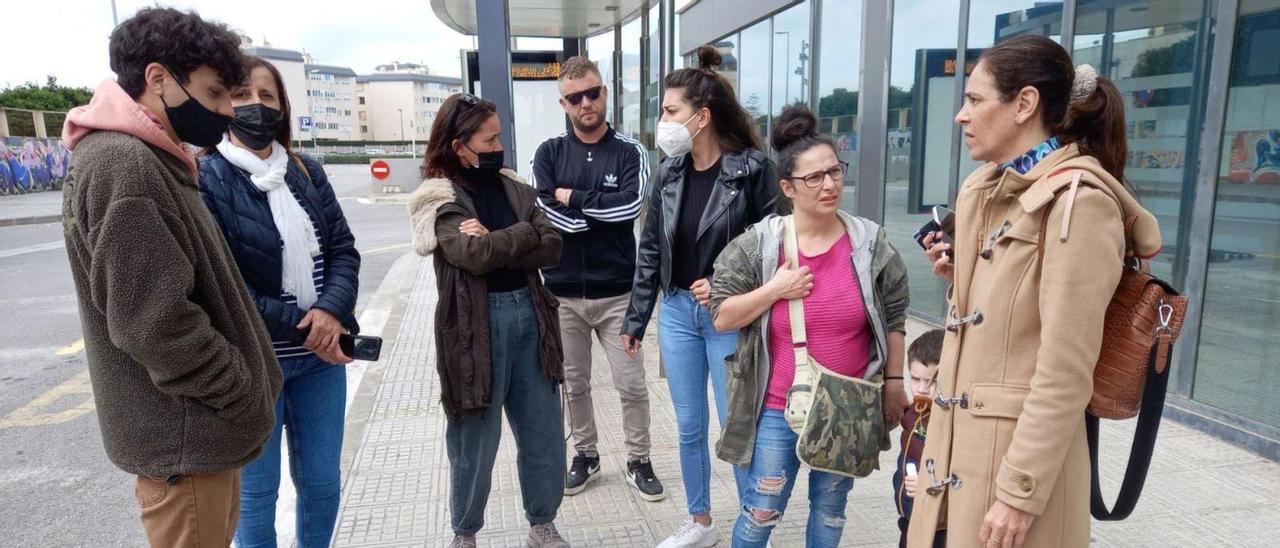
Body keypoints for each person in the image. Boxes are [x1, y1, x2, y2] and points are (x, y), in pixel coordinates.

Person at [909, 35, 1163, 548]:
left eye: (975, 100)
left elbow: (1066, 369)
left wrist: (1019, 493)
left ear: (1024, 104)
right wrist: (964, 280)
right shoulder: (986, 187)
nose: (961, 115)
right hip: (957, 457)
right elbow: (1003, 324)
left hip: (1011, 469)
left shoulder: (1079, 204)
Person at [59, 8, 281, 547]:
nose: (228, 111)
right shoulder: (126, 165)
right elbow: (153, 325)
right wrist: (241, 392)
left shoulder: (150, 157)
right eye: (213, 94)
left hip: (194, 436)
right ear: (158, 79)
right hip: (187, 439)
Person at [708, 104, 910, 548]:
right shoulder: (760, 246)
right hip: (781, 407)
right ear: (788, 188)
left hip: (848, 406)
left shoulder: (869, 242)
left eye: (835, 172)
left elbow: (895, 314)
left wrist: (894, 382)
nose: (829, 185)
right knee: (761, 513)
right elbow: (721, 314)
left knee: (831, 512)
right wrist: (775, 289)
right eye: (813, 178)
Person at [197, 55, 361, 548]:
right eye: (243, 95)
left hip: (320, 363)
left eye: (267, 96)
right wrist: (308, 327)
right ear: (223, 103)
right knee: (255, 495)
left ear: (283, 107)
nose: (255, 106)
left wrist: (330, 311)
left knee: (322, 485)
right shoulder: (207, 177)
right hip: (252, 364)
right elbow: (222, 284)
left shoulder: (306, 171)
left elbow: (343, 250)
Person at [622, 44, 780, 548]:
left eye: (670, 111)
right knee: (689, 425)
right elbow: (650, 250)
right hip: (675, 311)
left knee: (737, 425)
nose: (663, 122)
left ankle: (752, 528)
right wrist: (636, 318)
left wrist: (730, 282)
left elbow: (779, 245)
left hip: (728, 317)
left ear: (702, 115)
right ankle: (701, 522)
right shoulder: (667, 172)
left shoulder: (753, 170)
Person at [407, 93, 570, 548]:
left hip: (530, 316)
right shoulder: (438, 197)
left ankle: (542, 523)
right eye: (490, 137)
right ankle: (466, 533)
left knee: (544, 433)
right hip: (476, 331)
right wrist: (524, 235)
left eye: (500, 135)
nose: (500, 145)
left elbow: (553, 245)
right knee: (474, 438)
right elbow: (471, 255)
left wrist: (501, 236)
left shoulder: (514, 186)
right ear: (461, 146)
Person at [532, 56, 665, 501]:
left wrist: (576, 199)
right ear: (563, 103)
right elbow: (547, 212)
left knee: (630, 383)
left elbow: (629, 208)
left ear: (604, 93)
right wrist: (594, 210)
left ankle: (638, 458)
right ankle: (585, 455)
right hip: (563, 294)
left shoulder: (630, 152)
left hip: (618, 294)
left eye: (591, 93)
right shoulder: (548, 153)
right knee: (575, 383)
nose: (585, 103)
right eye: (574, 98)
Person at [892, 329, 946, 548]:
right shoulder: (914, 410)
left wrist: (927, 481)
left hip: (939, 522)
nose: (922, 388)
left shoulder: (951, 419)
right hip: (909, 511)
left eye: (931, 382)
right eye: (915, 379)